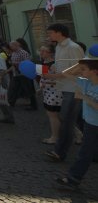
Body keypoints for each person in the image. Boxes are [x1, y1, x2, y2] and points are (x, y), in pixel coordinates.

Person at [43, 23, 85, 162]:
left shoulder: (73, 47)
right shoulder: (59, 47)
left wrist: (55, 76)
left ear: (59, 33)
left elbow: (79, 68)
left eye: (50, 33)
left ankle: (60, 151)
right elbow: (62, 65)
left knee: (66, 120)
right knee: (67, 120)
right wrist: (53, 70)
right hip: (64, 88)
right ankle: (62, 150)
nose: (49, 35)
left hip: (74, 89)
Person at [55, 57, 98, 190]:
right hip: (90, 124)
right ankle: (74, 177)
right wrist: (79, 64)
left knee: (85, 153)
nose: (80, 71)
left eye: (83, 69)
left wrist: (84, 97)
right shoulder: (86, 83)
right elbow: (65, 74)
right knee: (87, 152)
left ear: (95, 71)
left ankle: (73, 178)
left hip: (94, 125)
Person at [39, 43, 62, 143]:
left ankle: (55, 137)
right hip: (47, 92)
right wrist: (41, 86)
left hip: (55, 93)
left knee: (53, 115)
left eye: (44, 51)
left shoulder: (54, 64)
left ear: (51, 53)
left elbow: (59, 80)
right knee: (57, 116)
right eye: (41, 51)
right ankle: (78, 134)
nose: (41, 53)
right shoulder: (44, 62)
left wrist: (45, 82)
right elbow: (43, 76)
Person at [7, 40, 37, 110]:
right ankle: (11, 102)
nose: (11, 48)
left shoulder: (23, 52)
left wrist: (16, 63)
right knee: (13, 88)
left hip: (24, 74)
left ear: (16, 45)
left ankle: (34, 105)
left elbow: (27, 62)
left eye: (12, 46)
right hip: (16, 74)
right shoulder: (13, 53)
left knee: (28, 89)